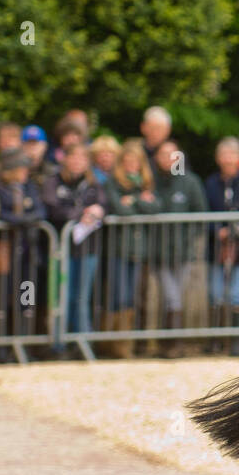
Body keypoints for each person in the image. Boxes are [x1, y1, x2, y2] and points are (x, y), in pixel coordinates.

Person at [41, 142, 105, 349]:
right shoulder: (53, 182)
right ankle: (58, 345)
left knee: (81, 297)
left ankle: (83, 343)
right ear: (64, 158)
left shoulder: (93, 184)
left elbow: (104, 206)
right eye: (74, 157)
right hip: (59, 251)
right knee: (61, 298)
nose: (77, 161)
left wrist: (98, 212)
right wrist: (81, 214)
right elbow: (53, 209)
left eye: (82, 158)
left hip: (87, 249)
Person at [204, 137, 239, 357]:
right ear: (218, 158)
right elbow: (203, 213)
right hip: (216, 248)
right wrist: (217, 230)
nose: (228, 159)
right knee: (216, 294)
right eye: (224, 155)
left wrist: (238, 232)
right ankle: (214, 341)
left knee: (238, 294)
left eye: (232, 155)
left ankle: (237, 342)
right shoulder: (210, 183)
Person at [150, 140, 207, 358]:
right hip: (159, 251)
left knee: (174, 297)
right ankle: (170, 342)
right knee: (171, 296)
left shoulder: (190, 182)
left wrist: (188, 238)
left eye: (171, 154)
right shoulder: (152, 181)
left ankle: (173, 343)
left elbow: (200, 212)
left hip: (183, 251)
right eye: (163, 154)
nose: (167, 159)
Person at [104, 140, 159, 358]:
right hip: (118, 248)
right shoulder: (112, 182)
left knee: (133, 296)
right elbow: (120, 210)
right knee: (120, 295)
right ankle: (114, 345)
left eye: (135, 161)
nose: (131, 165)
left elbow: (155, 208)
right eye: (127, 161)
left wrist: (133, 200)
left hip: (139, 249)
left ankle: (125, 345)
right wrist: (141, 202)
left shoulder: (145, 182)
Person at [0, 148, 46, 353]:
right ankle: (0, 347)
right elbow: (1, 213)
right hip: (5, 254)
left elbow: (40, 211)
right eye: (21, 167)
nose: (25, 172)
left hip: (27, 254)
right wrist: (24, 220)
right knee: (1, 299)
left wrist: (22, 221)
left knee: (27, 298)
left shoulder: (29, 187)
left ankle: (25, 344)